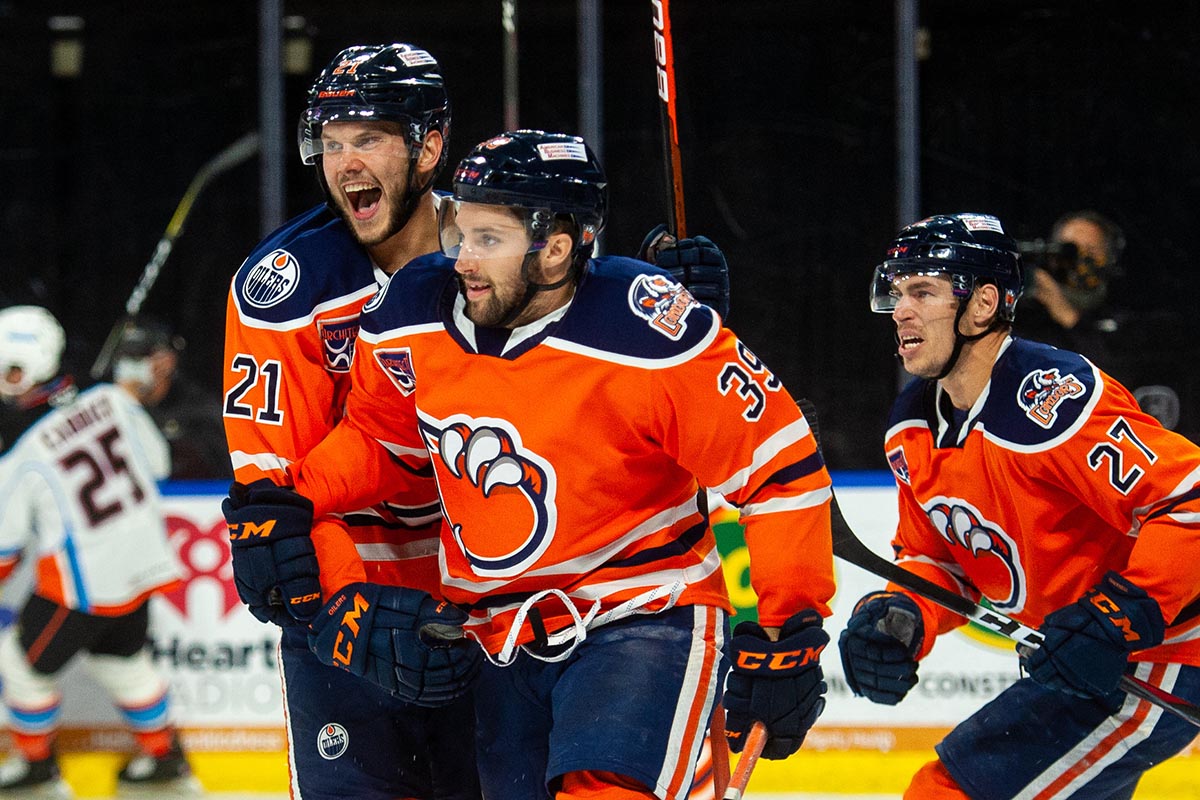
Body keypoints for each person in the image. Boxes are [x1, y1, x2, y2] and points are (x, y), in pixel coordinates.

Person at [221, 44, 731, 800]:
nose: (345, 162)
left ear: (428, 147)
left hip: (496, 615)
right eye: (331, 142)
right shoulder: (286, 289)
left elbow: (604, 384)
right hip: (357, 604)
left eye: (369, 138)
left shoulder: (506, 238)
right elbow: (275, 504)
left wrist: (675, 313)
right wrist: (341, 610)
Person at [269, 129, 835, 800]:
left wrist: (788, 627)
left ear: (556, 249)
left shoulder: (646, 326)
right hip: (497, 639)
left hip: (642, 615)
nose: (463, 260)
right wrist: (294, 496)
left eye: (489, 239)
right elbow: (380, 441)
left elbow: (778, 464)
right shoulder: (411, 313)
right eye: (462, 233)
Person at [840, 213, 1200, 799]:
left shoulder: (1051, 397)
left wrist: (1120, 615)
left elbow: (1189, 501)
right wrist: (903, 615)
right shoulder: (911, 424)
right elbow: (938, 559)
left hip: (1167, 651)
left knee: (948, 792)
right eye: (896, 291)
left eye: (922, 292)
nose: (900, 310)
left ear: (983, 304)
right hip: (1093, 664)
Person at [0, 305, 198, 797]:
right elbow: (159, 464)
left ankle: (38, 771)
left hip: (82, 587)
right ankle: (166, 760)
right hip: (141, 570)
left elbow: (5, 547)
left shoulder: (22, 452)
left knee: (19, 667)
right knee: (122, 662)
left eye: (11, 371)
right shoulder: (112, 397)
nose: (5, 382)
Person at [1017, 210, 1195, 437]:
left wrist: (1064, 312)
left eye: (1090, 251)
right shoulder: (1027, 321)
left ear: (1111, 258)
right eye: (1068, 250)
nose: (1077, 261)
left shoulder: (1139, 323)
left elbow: (1111, 377)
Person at [112, 317, 232, 480]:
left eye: (137, 357)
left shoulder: (200, 411)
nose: (127, 366)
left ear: (166, 361)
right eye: (123, 358)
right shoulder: (113, 408)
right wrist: (128, 402)